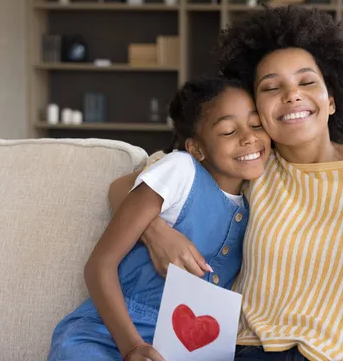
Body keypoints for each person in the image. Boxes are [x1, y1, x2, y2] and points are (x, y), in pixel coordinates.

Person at [110, 6, 343, 361]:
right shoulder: (250, 164)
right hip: (248, 350)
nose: (292, 94)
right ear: (255, 108)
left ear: (332, 100)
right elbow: (125, 186)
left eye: (306, 81)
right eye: (271, 88)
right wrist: (156, 232)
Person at [48, 76, 271, 361]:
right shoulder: (179, 170)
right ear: (196, 148)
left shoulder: (259, 200)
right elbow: (99, 265)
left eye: (256, 125)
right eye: (228, 131)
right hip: (105, 336)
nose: (249, 137)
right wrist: (132, 347)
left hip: (181, 347)